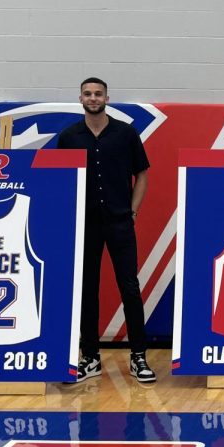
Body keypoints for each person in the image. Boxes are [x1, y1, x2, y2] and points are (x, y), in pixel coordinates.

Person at [57, 77, 155, 384]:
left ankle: (139, 357)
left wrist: (134, 210)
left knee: (129, 287)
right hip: (86, 225)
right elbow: (60, 179)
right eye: (88, 93)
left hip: (120, 222)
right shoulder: (69, 136)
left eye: (98, 93)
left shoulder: (125, 134)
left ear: (107, 98)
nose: (93, 97)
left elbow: (142, 173)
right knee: (88, 290)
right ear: (80, 98)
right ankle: (91, 357)